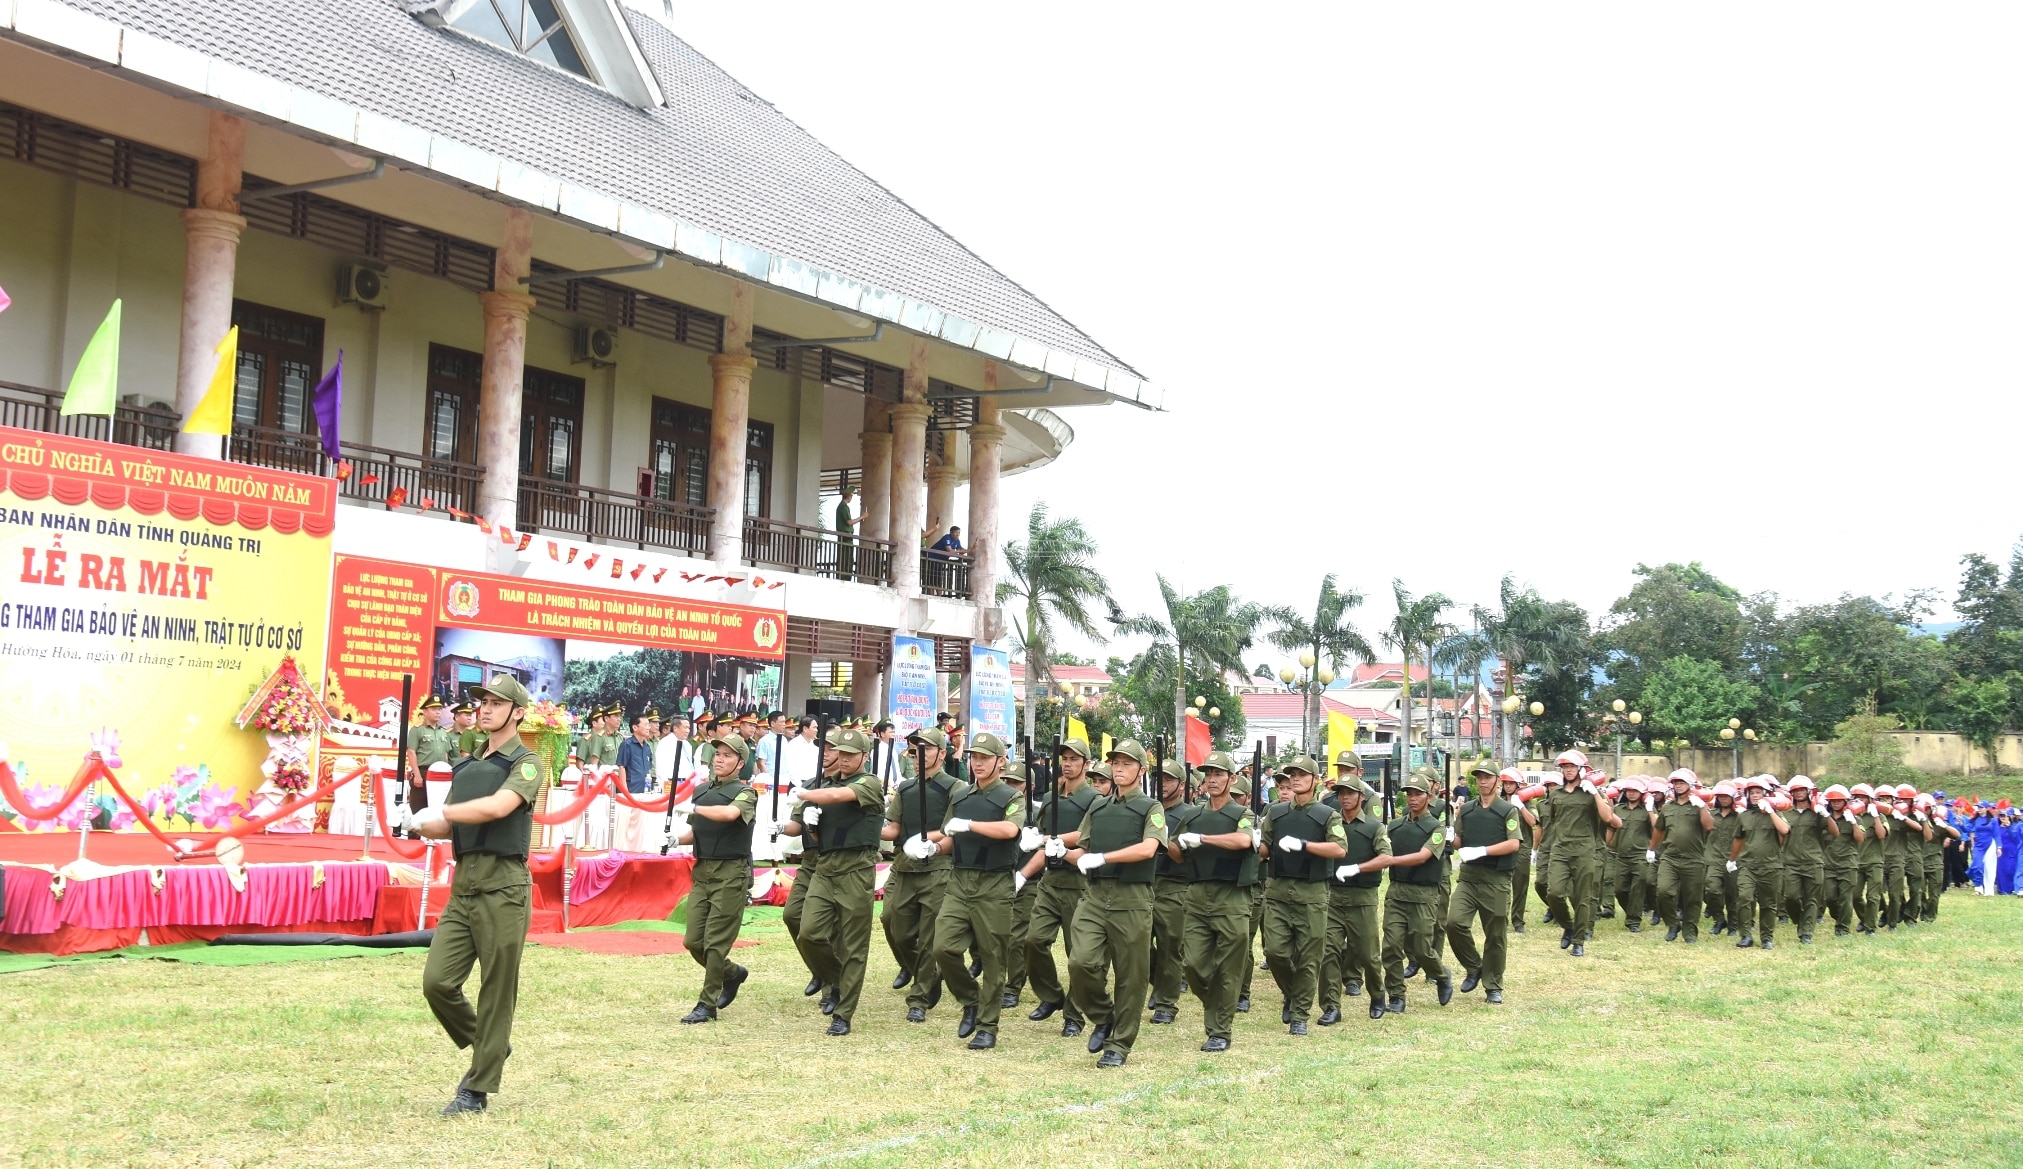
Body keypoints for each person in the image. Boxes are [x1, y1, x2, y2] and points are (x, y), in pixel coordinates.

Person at [411, 674, 541, 1116]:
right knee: (438, 983)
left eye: (495, 703)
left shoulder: (525, 763)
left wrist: (441, 811)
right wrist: (412, 819)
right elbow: (447, 825)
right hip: (464, 884)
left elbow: (498, 807)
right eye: (482, 701)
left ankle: (477, 1088)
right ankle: (490, 1044)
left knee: (496, 989)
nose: (484, 708)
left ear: (517, 712)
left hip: (503, 885)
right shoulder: (466, 767)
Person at [1065, 739, 1168, 1068]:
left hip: (1132, 897)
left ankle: (1119, 1044)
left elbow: (1148, 849)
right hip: (1095, 896)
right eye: (1115, 763)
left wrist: (1102, 858)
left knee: (1131, 975)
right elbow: (1082, 850)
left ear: (1141, 770)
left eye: (1126, 763)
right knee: (1079, 962)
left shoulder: (1151, 808)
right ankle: (1103, 1015)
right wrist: (1057, 849)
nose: (1119, 769)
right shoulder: (1097, 807)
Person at [927, 732, 1024, 1049]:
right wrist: (933, 848)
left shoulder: (1012, 798)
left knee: (993, 957)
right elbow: (950, 837)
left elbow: (1010, 830)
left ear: (1000, 761)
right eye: (974, 757)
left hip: (994, 883)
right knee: (943, 947)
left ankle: (987, 1026)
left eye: (985, 757)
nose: (978, 762)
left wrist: (970, 825)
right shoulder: (961, 797)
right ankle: (970, 999)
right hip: (960, 881)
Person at [793, 727, 885, 1036]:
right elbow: (823, 829)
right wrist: (812, 823)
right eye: (840, 754)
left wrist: (805, 795)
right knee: (808, 933)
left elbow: (839, 796)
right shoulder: (827, 784)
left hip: (856, 869)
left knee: (853, 946)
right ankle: (835, 981)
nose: (843, 759)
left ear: (864, 757)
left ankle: (844, 1013)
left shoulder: (869, 783)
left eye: (850, 755)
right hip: (825, 865)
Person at [669, 730, 758, 1023]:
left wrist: (695, 808)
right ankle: (733, 973)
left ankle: (707, 1005)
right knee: (694, 940)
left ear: (740, 762)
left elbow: (730, 815)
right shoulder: (703, 791)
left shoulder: (745, 793)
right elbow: (697, 831)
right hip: (704, 869)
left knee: (716, 943)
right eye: (717, 754)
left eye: (727, 755)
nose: (719, 760)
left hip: (731, 872)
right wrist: (673, 840)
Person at [1175, 752, 1258, 1051]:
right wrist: (1176, 844)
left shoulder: (1242, 814)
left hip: (1232, 898)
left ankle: (1219, 1031)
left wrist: (1203, 840)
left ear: (1232, 779)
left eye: (1218, 774)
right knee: (1194, 965)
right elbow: (1175, 849)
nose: (1212, 779)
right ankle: (1220, 1004)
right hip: (1197, 896)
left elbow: (1244, 841)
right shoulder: (1193, 815)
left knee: (1229, 968)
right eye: (1208, 774)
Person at [881, 727, 964, 1023]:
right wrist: (868, 827)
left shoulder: (955, 788)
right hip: (904, 867)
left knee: (929, 936)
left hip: (937, 868)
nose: (917, 755)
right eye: (914, 749)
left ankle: (919, 998)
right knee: (894, 927)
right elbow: (893, 827)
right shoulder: (905, 788)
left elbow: (951, 829)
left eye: (925, 749)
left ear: (942, 753)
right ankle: (928, 974)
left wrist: (925, 839)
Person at [1260, 755, 1346, 1035]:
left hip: (1311, 892)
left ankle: (1300, 1015)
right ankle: (1293, 993)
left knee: (1309, 957)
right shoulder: (1276, 813)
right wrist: (1251, 843)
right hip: (1278, 889)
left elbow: (1339, 849)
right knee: (1274, 952)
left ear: (1315, 779)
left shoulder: (1327, 815)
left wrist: (1304, 845)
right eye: (1291, 774)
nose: (1295, 778)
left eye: (1301, 774)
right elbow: (1265, 848)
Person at [1021, 737, 1101, 1037]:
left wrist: (1048, 840)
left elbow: (1085, 835)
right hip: (1050, 881)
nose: (1067, 764)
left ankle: (1075, 1015)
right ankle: (1051, 995)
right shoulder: (1051, 798)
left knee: (1076, 953)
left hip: (1078, 881)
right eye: (1064, 758)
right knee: (1032, 941)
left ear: (1086, 764)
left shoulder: (1094, 800)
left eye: (1074, 759)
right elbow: (1043, 837)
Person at [1318, 770, 1391, 1023]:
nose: (1345, 797)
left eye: (1350, 793)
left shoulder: (1373, 826)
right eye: (1341, 793)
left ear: (1361, 796)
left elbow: (1386, 857)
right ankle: (1331, 1006)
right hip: (1333, 897)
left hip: (1363, 897)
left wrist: (1358, 868)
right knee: (1328, 952)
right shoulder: (1329, 823)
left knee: (1368, 954)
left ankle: (1378, 995)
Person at [1446, 764, 1522, 1004]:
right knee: (1454, 922)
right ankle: (1474, 966)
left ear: (1497, 781)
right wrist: (1448, 838)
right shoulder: (1466, 810)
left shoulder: (1507, 810)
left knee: (1495, 935)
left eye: (1487, 777)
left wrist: (1481, 851)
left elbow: (1514, 844)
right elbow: (1459, 841)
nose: (1482, 782)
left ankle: (1493, 985)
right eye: (1479, 778)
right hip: (1469, 878)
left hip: (1496, 879)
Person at [1541, 750, 1622, 957]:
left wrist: (1594, 792)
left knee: (1582, 897)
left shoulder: (1591, 792)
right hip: (1560, 849)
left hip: (1584, 849)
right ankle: (1568, 926)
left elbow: (1607, 818)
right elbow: (1553, 822)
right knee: (1554, 892)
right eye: (1565, 767)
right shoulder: (1556, 794)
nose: (1568, 770)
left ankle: (1578, 941)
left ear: (1580, 769)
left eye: (1572, 767)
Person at [1381, 774, 1451, 1013]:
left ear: (1428, 796)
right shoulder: (1395, 826)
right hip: (1397, 892)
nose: (1412, 798)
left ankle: (1441, 975)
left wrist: (1391, 860)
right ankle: (1396, 995)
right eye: (1409, 794)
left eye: (1418, 793)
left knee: (1421, 948)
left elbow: (1423, 856)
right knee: (1391, 947)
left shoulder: (1437, 828)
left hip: (1424, 893)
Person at [1148, 757, 1198, 1026]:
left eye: (1168, 779)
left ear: (1181, 784)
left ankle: (1167, 1002)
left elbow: (1189, 857)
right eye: (1160, 778)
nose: (1163, 784)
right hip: (1144, 882)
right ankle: (1160, 982)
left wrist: (1165, 838)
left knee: (1170, 945)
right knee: (1139, 944)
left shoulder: (1189, 814)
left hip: (1175, 884)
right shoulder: (1146, 808)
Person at [1649, 769, 1712, 943]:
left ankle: (1690, 931)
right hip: (1670, 857)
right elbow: (1659, 829)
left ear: (1690, 785)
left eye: (1682, 782)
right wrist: (1651, 849)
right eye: (1676, 783)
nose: (1678, 786)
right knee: (1663, 891)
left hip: (1693, 858)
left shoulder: (1698, 805)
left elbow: (1708, 826)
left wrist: (1702, 807)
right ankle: (1672, 923)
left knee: (1693, 897)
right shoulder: (1668, 807)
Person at [1728, 777, 1789, 950]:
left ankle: (1767, 938)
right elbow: (1738, 839)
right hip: (1748, 865)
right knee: (1744, 898)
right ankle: (1745, 935)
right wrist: (1732, 859)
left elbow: (1785, 830)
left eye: (1758, 793)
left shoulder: (1776, 814)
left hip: (1771, 865)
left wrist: (1770, 811)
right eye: (1752, 793)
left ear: (1767, 794)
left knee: (1769, 903)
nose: (1755, 796)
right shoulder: (1744, 816)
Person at [1780, 776, 1829, 944]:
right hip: (1791, 861)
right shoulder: (1786, 812)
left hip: (1813, 861)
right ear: (1791, 793)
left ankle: (1806, 932)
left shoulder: (1817, 812)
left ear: (1809, 792)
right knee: (1791, 897)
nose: (1799, 793)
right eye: (1796, 791)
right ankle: (1800, 920)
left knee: (1812, 899)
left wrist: (1825, 814)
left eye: (1802, 790)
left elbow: (1834, 832)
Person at [1609, 777, 1655, 932]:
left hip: (1640, 854)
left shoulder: (1646, 811)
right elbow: (1610, 827)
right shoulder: (1618, 809)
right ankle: (1632, 912)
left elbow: (1657, 828)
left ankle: (1633, 921)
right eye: (1629, 791)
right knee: (1620, 890)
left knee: (1638, 886)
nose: (1632, 794)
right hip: (1621, 855)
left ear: (1641, 793)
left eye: (1635, 791)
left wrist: (1650, 809)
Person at [1502, 768, 1539, 934]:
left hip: (1522, 849)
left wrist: (1521, 806)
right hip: (1502, 848)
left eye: (1511, 783)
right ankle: (1500, 918)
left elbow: (1534, 823)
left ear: (1518, 784)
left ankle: (1518, 921)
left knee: (1519, 887)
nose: (1508, 786)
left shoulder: (1528, 802)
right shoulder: (1499, 801)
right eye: (1506, 783)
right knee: (1501, 886)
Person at [1704, 781, 1743, 936]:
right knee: (1711, 890)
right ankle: (1719, 918)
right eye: (1720, 796)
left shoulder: (1740, 816)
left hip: (1734, 860)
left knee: (1732, 895)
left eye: (1726, 796)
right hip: (1713, 859)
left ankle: (1733, 924)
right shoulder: (1711, 816)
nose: (1723, 799)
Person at [1820, 784, 1860, 936]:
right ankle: (1840, 917)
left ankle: (1842, 928)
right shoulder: (1824, 819)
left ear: (1845, 801)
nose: (1835, 803)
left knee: (1845, 897)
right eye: (1832, 800)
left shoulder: (1854, 818)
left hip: (1847, 863)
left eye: (1839, 800)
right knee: (1830, 898)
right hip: (1828, 864)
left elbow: (1860, 838)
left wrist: (1854, 823)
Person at [407, 694, 453, 817]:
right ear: (425, 712)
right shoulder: (417, 730)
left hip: (440, 774)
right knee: (418, 809)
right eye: (434, 709)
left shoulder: (443, 731)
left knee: (438, 809)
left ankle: (434, 836)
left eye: (439, 709)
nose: (438, 712)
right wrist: (416, 775)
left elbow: (446, 754)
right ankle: (414, 836)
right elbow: (411, 752)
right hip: (423, 772)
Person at [617, 709, 657, 795]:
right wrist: (625, 792)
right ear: (635, 727)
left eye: (648, 725)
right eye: (645, 725)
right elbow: (621, 768)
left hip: (645, 791)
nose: (648, 728)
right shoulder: (627, 745)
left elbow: (648, 769)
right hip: (631, 790)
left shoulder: (647, 747)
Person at [834, 486, 859, 581]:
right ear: (849, 496)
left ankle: (846, 576)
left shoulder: (842, 507)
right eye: (851, 496)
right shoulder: (843, 507)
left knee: (847, 559)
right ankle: (845, 577)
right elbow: (849, 522)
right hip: (845, 537)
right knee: (846, 559)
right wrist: (861, 517)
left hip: (846, 537)